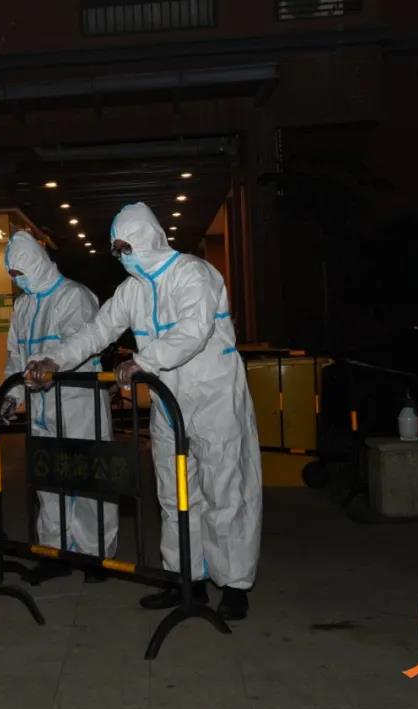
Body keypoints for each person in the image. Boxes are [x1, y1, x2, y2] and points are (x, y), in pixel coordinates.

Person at [24, 202, 262, 620]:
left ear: (149, 238)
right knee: (174, 495)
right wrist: (55, 361)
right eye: (116, 249)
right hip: (168, 403)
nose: (121, 256)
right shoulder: (132, 290)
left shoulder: (194, 274)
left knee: (224, 491)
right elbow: (97, 330)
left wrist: (143, 362)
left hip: (214, 398)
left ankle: (234, 585)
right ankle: (186, 578)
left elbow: (194, 331)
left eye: (125, 246)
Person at [2, 230, 118, 584]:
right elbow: (16, 357)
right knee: (48, 482)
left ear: (36, 263)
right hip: (42, 408)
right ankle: (55, 552)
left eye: (20, 272)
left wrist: (50, 365)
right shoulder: (23, 307)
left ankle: (96, 555)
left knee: (88, 480)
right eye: (12, 274)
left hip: (78, 405)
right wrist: (12, 395)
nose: (17, 280)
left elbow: (77, 344)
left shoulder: (74, 297)